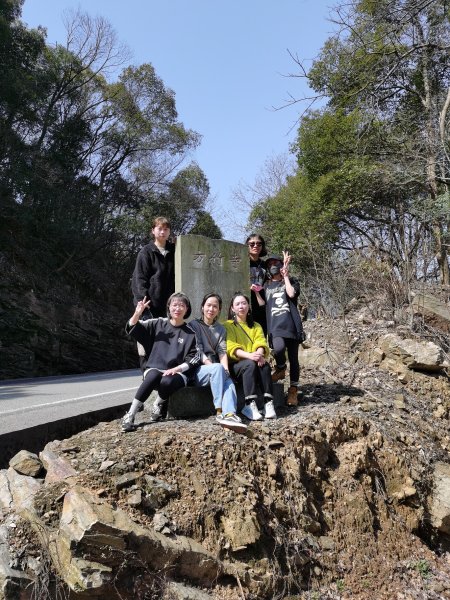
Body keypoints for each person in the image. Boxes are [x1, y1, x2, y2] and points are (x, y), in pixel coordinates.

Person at [121, 292, 201, 432]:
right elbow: (131, 327)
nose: (177, 308)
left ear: (187, 309)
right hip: (155, 368)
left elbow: (195, 356)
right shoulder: (157, 323)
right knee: (153, 375)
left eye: (181, 305)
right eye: (174, 305)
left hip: (177, 374)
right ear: (169, 307)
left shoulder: (191, 333)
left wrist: (178, 369)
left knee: (167, 380)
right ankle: (130, 414)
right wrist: (137, 313)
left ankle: (158, 403)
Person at [188, 294, 247, 433]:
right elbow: (198, 350)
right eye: (208, 305)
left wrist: (225, 370)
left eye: (215, 306)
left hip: (216, 369)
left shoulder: (221, 329)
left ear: (219, 310)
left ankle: (230, 414)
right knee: (218, 369)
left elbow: (222, 351)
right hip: (199, 370)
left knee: (229, 381)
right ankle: (219, 410)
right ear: (202, 307)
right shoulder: (194, 325)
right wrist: (214, 367)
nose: (211, 309)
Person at [131, 216, 175, 370]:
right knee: (147, 341)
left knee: (168, 342)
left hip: (170, 307)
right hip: (149, 306)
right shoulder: (146, 252)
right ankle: (147, 373)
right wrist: (143, 304)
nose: (163, 232)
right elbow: (139, 279)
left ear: (169, 231)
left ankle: (165, 374)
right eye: (159, 229)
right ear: (153, 231)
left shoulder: (175, 251)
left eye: (166, 229)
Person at [224, 293, 276, 420]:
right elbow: (231, 347)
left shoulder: (256, 325)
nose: (241, 306)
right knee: (250, 364)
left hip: (254, 361)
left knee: (265, 366)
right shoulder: (228, 325)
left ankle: (268, 403)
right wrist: (250, 356)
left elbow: (260, 342)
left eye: (244, 303)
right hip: (236, 365)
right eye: (237, 304)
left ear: (248, 306)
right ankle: (249, 404)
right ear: (232, 308)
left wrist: (259, 354)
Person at [264, 252, 305, 407]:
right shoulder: (266, 285)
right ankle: (281, 368)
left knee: (294, 359)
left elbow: (291, 293)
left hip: (291, 325)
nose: (273, 266)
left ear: (281, 264)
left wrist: (286, 276)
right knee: (279, 349)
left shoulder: (292, 281)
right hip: (275, 326)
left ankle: (293, 390)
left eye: (276, 263)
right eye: (270, 264)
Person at [246, 233, 268, 337]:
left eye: (259, 244)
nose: (255, 246)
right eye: (252, 244)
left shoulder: (265, 265)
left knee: (261, 334)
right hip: (246, 303)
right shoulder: (241, 262)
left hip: (262, 303)